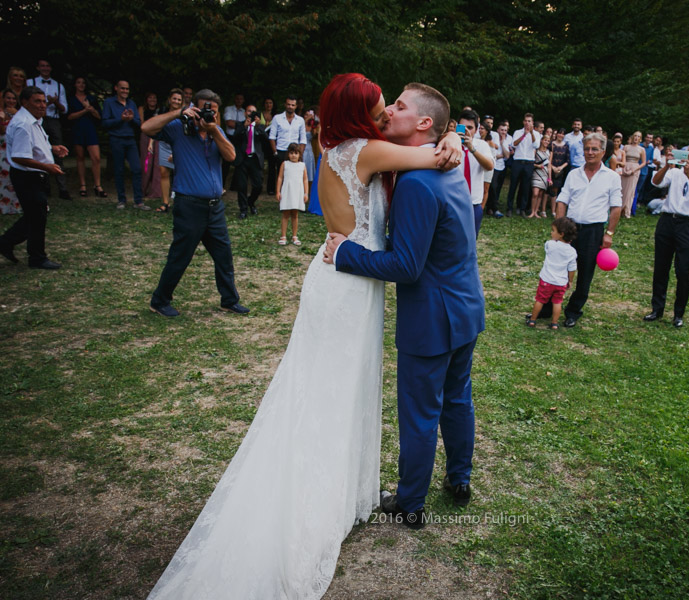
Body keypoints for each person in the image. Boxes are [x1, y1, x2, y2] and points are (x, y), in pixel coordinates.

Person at [145, 74, 462, 598]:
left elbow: (425, 152)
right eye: (381, 106)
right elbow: (435, 157)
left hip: (340, 277)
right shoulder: (367, 150)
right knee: (330, 393)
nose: (386, 113)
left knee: (337, 389)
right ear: (362, 112)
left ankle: (343, 494)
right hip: (349, 284)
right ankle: (310, 505)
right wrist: (454, 138)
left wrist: (453, 134)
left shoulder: (334, 142)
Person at [324, 79, 483, 531]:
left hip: (432, 318)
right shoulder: (451, 163)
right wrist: (455, 136)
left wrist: (345, 253)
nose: (389, 111)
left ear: (425, 123)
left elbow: (407, 266)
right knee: (457, 400)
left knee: (420, 413)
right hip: (466, 306)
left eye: (398, 105)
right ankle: (459, 479)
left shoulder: (416, 182)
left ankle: (411, 503)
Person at [141, 89, 247, 317]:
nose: (208, 115)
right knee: (180, 256)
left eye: (213, 112)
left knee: (223, 255)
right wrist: (178, 113)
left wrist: (214, 131)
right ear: (194, 108)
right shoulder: (179, 129)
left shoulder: (216, 131)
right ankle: (159, 301)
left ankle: (229, 300)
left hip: (214, 207)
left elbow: (231, 157)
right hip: (189, 206)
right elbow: (146, 128)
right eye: (204, 110)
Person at [644, 139, 689, 328]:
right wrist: (667, 166)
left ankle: (678, 313)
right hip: (668, 220)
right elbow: (656, 182)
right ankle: (657, 309)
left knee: (683, 270)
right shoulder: (674, 172)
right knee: (661, 267)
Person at [555, 133, 622, 328]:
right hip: (570, 228)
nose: (590, 152)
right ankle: (549, 308)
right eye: (586, 149)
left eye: (594, 149)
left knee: (584, 273)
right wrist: (560, 227)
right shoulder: (574, 174)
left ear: (603, 152)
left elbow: (616, 207)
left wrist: (608, 234)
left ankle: (573, 311)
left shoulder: (611, 177)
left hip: (593, 231)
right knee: (558, 269)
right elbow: (562, 200)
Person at [0, 86, 68, 269]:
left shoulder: (33, 121)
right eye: (37, 101)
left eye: (44, 101)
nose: (42, 105)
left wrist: (52, 149)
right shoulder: (23, 124)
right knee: (37, 216)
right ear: (24, 102)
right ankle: (37, 257)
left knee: (35, 215)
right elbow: (19, 156)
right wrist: (46, 166)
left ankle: (5, 242)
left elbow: (33, 145)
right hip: (27, 176)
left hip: (34, 175)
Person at [102, 80, 149, 209]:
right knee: (119, 170)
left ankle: (138, 201)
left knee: (137, 169)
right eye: (122, 88)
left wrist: (132, 119)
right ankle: (121, 200)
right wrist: (120, 119)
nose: (125, 91)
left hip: (130, 139)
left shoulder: (131, 103)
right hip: (116, 139)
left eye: (127, 89)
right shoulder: (109, 103)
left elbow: (139, 123)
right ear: (116, 88)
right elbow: (105, 123)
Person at [26, 59, 69, 199]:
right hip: (36, 119)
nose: (45, 68)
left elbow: (65, 109)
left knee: (59, 153)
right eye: (42, 66)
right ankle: (43, 187)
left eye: (48, 66)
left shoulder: (58, 86)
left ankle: (62, 188)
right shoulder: (30, 83)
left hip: (53, 120)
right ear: (38, 68)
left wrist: (54, 102)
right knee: (38, 152)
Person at [526, 216, 577, 330]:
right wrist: (570, 281)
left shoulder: (550, 244)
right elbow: (572, 269)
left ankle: (533, 320)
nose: (551, 233)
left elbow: (547, 248)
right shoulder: (572, 252)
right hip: (560, 282)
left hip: (546, 280)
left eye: (553, 230)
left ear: (561, 234)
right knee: (557, 302)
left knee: (540, 300)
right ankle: (554, 323)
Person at [67, 77, 106, 198]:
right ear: (74, 85)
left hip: (90, 129)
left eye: (83, 83)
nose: (81, 85)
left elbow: (99, 116)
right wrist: (84, 110)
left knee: (96, 158)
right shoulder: (71, 99)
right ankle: (83, 185)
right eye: (78, 82)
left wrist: (91, 109)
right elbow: (69, 117)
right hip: (78, 129)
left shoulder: (91, 98)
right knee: (80, 157)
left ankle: (97, 185)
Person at [456, 108, 493, 234]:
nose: (466, 131)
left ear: (476, 130)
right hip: (453, 203)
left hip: (474, 203)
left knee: (471, 242)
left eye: (470, 127)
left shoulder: (482, 146)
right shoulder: (450, 144)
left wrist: (472, 149)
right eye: (462, 127)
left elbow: (489, 166)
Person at [231, 103, 268, 219]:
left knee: (258, 186)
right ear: (245, 113)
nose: (251, 113)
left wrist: (257, 127)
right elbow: (234, 139)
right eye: (249, 111)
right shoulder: (240, 125)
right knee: (241, 186)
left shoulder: (260, 126)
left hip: (255, 159)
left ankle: (250, 202)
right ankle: (243, 210)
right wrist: (244, 127)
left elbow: (265, 140)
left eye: (253, 111)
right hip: (242, 159)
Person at [507, 113, 541, 215]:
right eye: (526, 121)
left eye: (529, 121)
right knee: (513, 185)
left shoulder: (536, 134)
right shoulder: (518, 132)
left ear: (532, 123)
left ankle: (522, 208)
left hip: (529, 162)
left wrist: (531, 134)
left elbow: (536, 145)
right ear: (523, 122)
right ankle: (509, 208)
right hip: (518, 161)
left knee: (525, 187)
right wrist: (524, 135)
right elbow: (514, 144)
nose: (527, 123)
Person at [155, 89, 183, 213]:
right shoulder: (162, 112)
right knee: (163, 173)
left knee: (180, 174)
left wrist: (176, 151)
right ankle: (165, 203)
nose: (176, 101)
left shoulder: (184, 115)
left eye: (179, 99)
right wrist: (151, 143)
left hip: (178, 145)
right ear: (169, 100)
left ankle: (179, 203)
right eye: (174, 98)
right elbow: (156, 129)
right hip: (163, 144)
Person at [268, 96, 306, 185]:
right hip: (281, 150)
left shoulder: (300, 120)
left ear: (296, 106)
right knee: (281, 175)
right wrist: (275, 152)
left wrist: (300, 153)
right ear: (285, 105)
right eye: (288, 104)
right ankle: (281, 194)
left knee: (295, 175)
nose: (290, 107)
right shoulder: (277, 118)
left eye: (293, 105)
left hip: (295, 152)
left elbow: (303, 139)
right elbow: (272, 137)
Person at [276, 142, 307, 245]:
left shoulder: (302, 166)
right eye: (291, 153)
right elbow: (280, 178)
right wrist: (278, 191)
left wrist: (306, 193)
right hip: (287, 191)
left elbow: (305, 180)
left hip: (297, 192)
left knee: (295, 214)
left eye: (296, 153)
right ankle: (283, 236)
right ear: (288, 154)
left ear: (299, 154)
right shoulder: (285, 164)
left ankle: (294, 236)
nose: (294, 155)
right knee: (285, 214)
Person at [1, 88, 21, 214]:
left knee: (15, 176)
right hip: (3, 146)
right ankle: (3, 206)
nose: (11, 100)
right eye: (8, 98)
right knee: (3, 175)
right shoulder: (1, 113)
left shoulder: (20, 113)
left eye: (13, 98)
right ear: (3, 99)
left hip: (16, 147)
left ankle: (16, 206)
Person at [139, 92, 162, 201]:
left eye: (154, 98)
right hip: (146, 135)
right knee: (146, 162)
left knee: (157, 164)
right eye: (150, 98)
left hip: (158, 135)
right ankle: (143, 189)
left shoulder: (160, 110)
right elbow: (142, 124)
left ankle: (156, 191)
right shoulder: (142, 109)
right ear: (146, 99)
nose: (152, 100)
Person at [619, 132, 647, 218]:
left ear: (640, 139)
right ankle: (618, 209)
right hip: (625, 167)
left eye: (638, 136)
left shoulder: (641, 149)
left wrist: (635, 169)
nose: (636, 138)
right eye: (635, 136)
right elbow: (622, 157)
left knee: (630, 191)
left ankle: (626, 210)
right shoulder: (626, 147)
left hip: (634, 168)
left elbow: (643, 162)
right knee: (621, 188)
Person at [486, 120, 510, 217]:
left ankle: (491, 207)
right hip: (493, 166)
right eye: (501, 130)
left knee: (497, 188)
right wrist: (500, 155)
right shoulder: (493, 137)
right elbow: (493, 155)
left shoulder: (507, 140)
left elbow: (507, 155)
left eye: (505, 130)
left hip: (502, 167)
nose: (503, 132)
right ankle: (492, 208)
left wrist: (503, 143)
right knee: (493, 187)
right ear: (498, 130)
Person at [547, 128, 569, 217]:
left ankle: (554, 210)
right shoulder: (551, 144)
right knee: (547, 190)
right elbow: (548, 158)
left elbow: (568, 160)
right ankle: (545, 209)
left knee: (556, 190)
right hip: (550, 169)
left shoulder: (566, 146)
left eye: (563, 134)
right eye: (560, 133)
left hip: (560, 170)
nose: (561, 135)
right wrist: (552, 167)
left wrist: (560, 167)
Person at [529, 133, 551, 218]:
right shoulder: (536, 151)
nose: (546, 142)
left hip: (545, 174)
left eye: (548, 141)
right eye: (545, 140)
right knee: (535, 193)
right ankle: (532, 211)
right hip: (536, 173)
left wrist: (550, 178)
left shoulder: (549, 152)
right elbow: (531, 162)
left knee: (540, 194)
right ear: (541, 140)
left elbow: (549, 166)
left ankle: (536, 212)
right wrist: (538, 166)